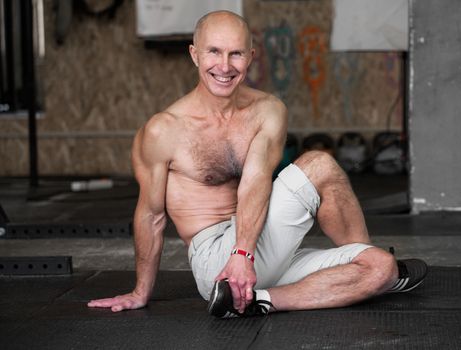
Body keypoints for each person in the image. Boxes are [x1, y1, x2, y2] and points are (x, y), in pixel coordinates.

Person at [87, 10, 427, 317]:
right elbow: (151, 215)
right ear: (194, 54)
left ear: (251, 56)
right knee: (319, 164)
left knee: (381, 266)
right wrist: (140, 292)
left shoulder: (268, 110)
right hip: (218, 264)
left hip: (256, 249)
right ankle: (261, 283)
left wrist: (245, 255)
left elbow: (256, 181)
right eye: (214, 52)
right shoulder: (163, 130)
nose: (225, 66)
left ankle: (263, 299)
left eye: (236, 53)